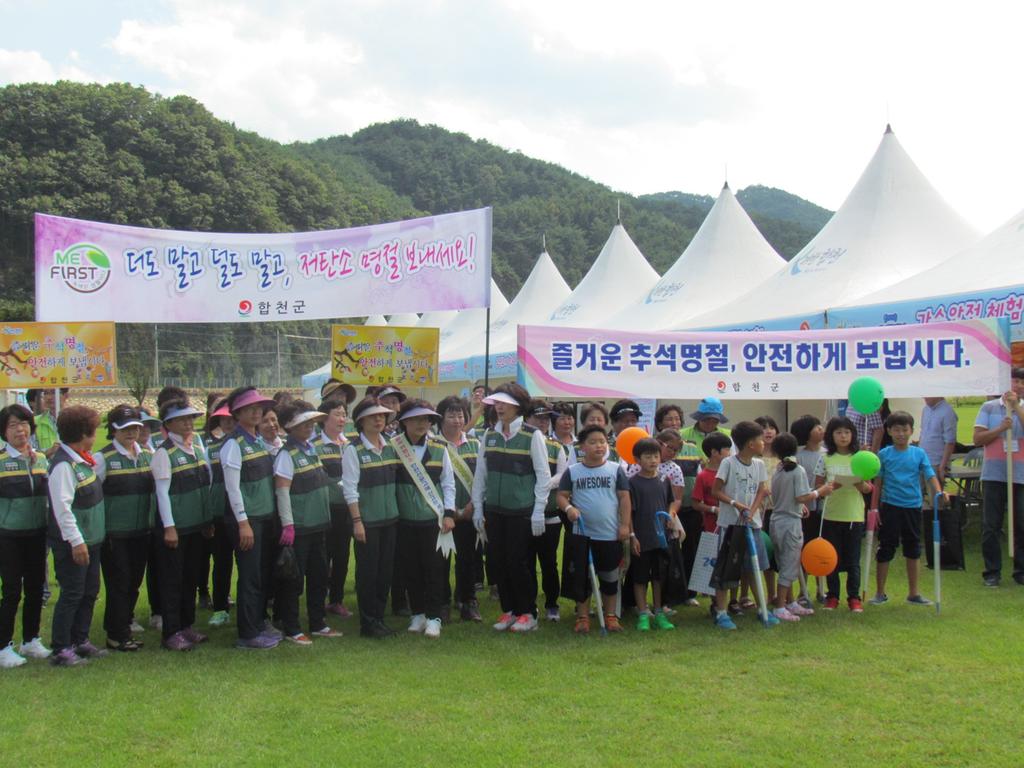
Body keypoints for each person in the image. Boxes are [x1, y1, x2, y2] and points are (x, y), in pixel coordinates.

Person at [470, 382, 552, 633]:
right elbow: (481, 474)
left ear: (518, 406)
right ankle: (509, 610)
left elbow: (543, 475)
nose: (499, 407)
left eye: (504, 403)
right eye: (497, 402)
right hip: (494, 510)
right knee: (498, 561)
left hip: (521, 511)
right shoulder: (489, 435)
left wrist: (538, 511)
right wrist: (478, 508)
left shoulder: (531, 435)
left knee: (519, 562)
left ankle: (528, 612)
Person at [273, 401, 342, 645]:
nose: (309, 426)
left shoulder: (311, 449)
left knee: (319, 577)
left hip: (319, 525)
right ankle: (291, 627)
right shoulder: (286, 455)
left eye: (311, 421)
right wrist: (288, 524)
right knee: (294, 580)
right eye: (303, 422)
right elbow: (282, 491)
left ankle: (318, 623)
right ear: (289, 427)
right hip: (300, 528)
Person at [220, 386, 281, 650]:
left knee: (261, 574)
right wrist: (243, 523)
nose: (256, 412)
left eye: (259, 408)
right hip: (248, 521)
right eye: (249, 409)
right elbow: (233, 488)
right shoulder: (233, 444)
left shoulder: (256, 440)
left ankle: (258, 623)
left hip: (264, 518)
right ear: (237, 413)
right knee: (250, 576)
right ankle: (247, 633)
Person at [556, 424, 631, 634]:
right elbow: (561, 496)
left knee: (610, 578)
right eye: (593, 442)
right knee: (583, 579)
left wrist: (625, 525)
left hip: (609, 534)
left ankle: (610, 615)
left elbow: (624, 498)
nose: (599, 446)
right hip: (582, 535)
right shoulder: (573, 471)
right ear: (582, 447)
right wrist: (569, 509)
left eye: (602, 442)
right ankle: (582, 617)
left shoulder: (615, 469)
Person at [151, 399, 212, 651]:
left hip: (196, 525)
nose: (188, 423)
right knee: (173, 580)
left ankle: (187, 625)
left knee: (190, 577)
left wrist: (206, 520)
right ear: (169, 424)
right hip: (176, 528)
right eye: (182, 419)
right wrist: (169, 527)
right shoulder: (164, 453)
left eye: (190, 418)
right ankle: (171, 631)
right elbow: (162, 492)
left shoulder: (195, 446)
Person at [47, 404, 106, 666]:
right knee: (72, 593)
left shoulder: (82, 460)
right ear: (83, 434)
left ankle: (80, 639)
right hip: (75, 543)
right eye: (93, 431)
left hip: (91, 540)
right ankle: (61, 648)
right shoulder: (64, 466)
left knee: (89, 591)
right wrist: (76, 541)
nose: (95, 437)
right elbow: (62, 508)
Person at [869, 411, 948, 605]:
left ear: (912, 431)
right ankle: (880, 592)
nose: (901, 434)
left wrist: (939, 493)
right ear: (889, 431)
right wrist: (874, 508)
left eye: (905, 430)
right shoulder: (884, 454)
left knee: (913, 548)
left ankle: (914, 593)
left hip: (912, 506)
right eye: (896, 430)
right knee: (886, 548)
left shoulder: (918, 453)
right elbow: (877, 483)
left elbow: (930, 475)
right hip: (890, 507)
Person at [392, 399, 456, 638]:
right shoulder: (393, 447)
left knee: (434, 569)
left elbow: (448, 483)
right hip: (404, 520)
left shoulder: (440, 448)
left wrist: (448, 513)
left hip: (432, 520)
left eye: (426, 419)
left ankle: (434, 617)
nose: (422, 423)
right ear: (404, 422)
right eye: (416, 419)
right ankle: (417, 614)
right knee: (410, 569)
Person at [95, 405, 153, 651]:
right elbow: (91, 494)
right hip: (114, 534)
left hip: (141, 532)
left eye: (135, 428)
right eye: (125, 429)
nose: (131, 433)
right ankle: (116, 634)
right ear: (114, 430)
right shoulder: (103, 458)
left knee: (134, 582)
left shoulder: (147, 454)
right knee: (119, 582)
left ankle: (122, 625)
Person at [343, 397, 400, 638]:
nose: (379, 419)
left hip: (390, 520)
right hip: (367, 522)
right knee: (368, 572)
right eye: (373, 416)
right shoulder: (353, 450)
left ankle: (379, 617)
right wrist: (357, 522)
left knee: (385, 572)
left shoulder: (392, 446)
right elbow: (349, 489)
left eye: (382, 415)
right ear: (361, 421)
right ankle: (368, 622)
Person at [0, 404, 52, 667]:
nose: (19, 430)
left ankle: (31, 639)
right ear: (4, 432)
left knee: (35, 587)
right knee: (11, 591)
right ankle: (3, 646)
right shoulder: (1, 462)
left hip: (37, 533)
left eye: (23, 424)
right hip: (8, 535)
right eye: (12, 425)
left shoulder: (40, 459)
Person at [710, 421, 772, 630]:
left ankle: (762, 609)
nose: (764, 443)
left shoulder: (759, 465)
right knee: (725, 569)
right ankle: (721, 612)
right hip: (730, 525)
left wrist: (752, 511)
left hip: (752, 525)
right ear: (750, 444)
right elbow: (716, 491)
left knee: (755, 567)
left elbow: (762, 490)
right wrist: (735, 503)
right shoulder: (728, 463)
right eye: (760, 440)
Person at [769, 432, 834, 622]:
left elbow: (789, 496)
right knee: (790, 564)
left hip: (777, 520)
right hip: (790, 523)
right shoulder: (797, 470)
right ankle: (780, 606)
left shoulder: (779, 469)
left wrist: (801, 505)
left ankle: (790, 602)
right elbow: (802, 496)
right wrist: (820, 491)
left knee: (785, 562)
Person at [973, 370, 1024, 587]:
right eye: (1014, 381)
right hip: (994, 474)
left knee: (1021, 523)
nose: (1017, 385)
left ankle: (1021, 571)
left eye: (1021, 382)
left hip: (1020, 474)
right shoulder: (989, 407)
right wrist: (1001, 428)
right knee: (991, 524)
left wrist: (1017, 408)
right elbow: (978, 438)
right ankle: (992, 572)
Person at [816, 417, 872, 612]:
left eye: (847, 432)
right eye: (839, 432)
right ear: (831, 435)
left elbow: (868, 488)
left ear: (853, 434)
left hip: (854, 516)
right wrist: (831, 486)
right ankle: (832, 596)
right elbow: (818, 486)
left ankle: (854, 598)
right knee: (831, 558)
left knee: (853, 560)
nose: (843, 436)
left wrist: (859, 483)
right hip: (831, 515)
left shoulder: (859, 457)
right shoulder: (825, 458)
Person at [436, 395, 482, 621]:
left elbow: (481, 478)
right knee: (441, 560)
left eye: (460, 415)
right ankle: (442, 602)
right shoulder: (434, 444)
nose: (457, 420)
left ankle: (467, 601)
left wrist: (472, 505)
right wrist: (449, 509)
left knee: (468, 559)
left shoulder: (475, 444)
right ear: (441, 418)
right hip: (444, 514)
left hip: (469, 511)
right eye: (451, 415)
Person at [628, 437, 679, 631]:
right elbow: (629, 513)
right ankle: (643, 614)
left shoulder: (664, 480)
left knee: (659, 577)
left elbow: (671, 502)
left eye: (656, 456)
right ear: (637, 460)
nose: (653, 460)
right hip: (642, 538)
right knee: (640, 577)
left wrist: (670, 515)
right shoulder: (633, 483)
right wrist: (633, 536)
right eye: (648, 457)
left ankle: (659, 613)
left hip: (661, 538)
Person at [312, 384, 355, 619]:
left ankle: (336, 600)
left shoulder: (350, 445)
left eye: (344, 415)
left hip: (346, 511)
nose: (342, 419)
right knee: (322, 559)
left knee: (342, 557)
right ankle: (318, 601)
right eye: (337, 414)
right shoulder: (315, 447)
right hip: (324, 511)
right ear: (324, 418)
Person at [525, 399, 568, 622]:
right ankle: (529, 604)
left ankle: (552, 604)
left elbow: (562, 475)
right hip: (524, 512)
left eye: (546, 419)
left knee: (549, 561)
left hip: (550, 513)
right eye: (538, 418)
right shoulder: (522, 442)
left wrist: (544, 484)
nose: (543, 422)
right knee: (527, 562)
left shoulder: (555, 446)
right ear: (527, 418)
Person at [657, 403, 703, 607]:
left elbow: (699, 474)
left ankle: (688, 593)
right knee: (668, 553)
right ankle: (667, 595)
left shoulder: (691, 446)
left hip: (689, 506)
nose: (674, 422)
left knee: (690, 550)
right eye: (669, 419)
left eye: (677, 419)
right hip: (665, 510)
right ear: (660, 424)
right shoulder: (654, 448)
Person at [691, 432, 737, 613]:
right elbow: (696, 503)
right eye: (726, 449)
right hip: (713, 527)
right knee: (715, 564)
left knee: (732, 562)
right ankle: (716, 602)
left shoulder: (732, 471)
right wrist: (713, 509)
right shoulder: (703, 476)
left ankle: (733, 600)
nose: (729, 453)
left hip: (733, 523)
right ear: (714, 452)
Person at [202, 399, 235, 628]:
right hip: (219, 512)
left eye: (232, 418)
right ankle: (220, 608)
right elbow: (208, 483)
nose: (229, 423)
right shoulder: (211, 449)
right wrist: (208, 517)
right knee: (222, 562)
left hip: (245, 514)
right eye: (224, 419)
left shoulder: (251, 445)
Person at [791, 414, 826, 605]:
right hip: (806, 509)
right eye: (816, 427)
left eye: (820, 426)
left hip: (824, 508)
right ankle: (803, 591)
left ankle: (822, 589)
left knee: (821, 547)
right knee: (805, 548)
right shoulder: (798, 456)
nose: (821, 429)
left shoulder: (827, 453)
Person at [920, 398, 957, 491]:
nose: (924, 397)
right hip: (921, 460)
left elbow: (950, 441)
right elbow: (922, 432)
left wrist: (942, 467)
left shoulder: (947, 411)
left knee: (934, 496)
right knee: (918, 494)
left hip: (936, 462)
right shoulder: (925, 409)